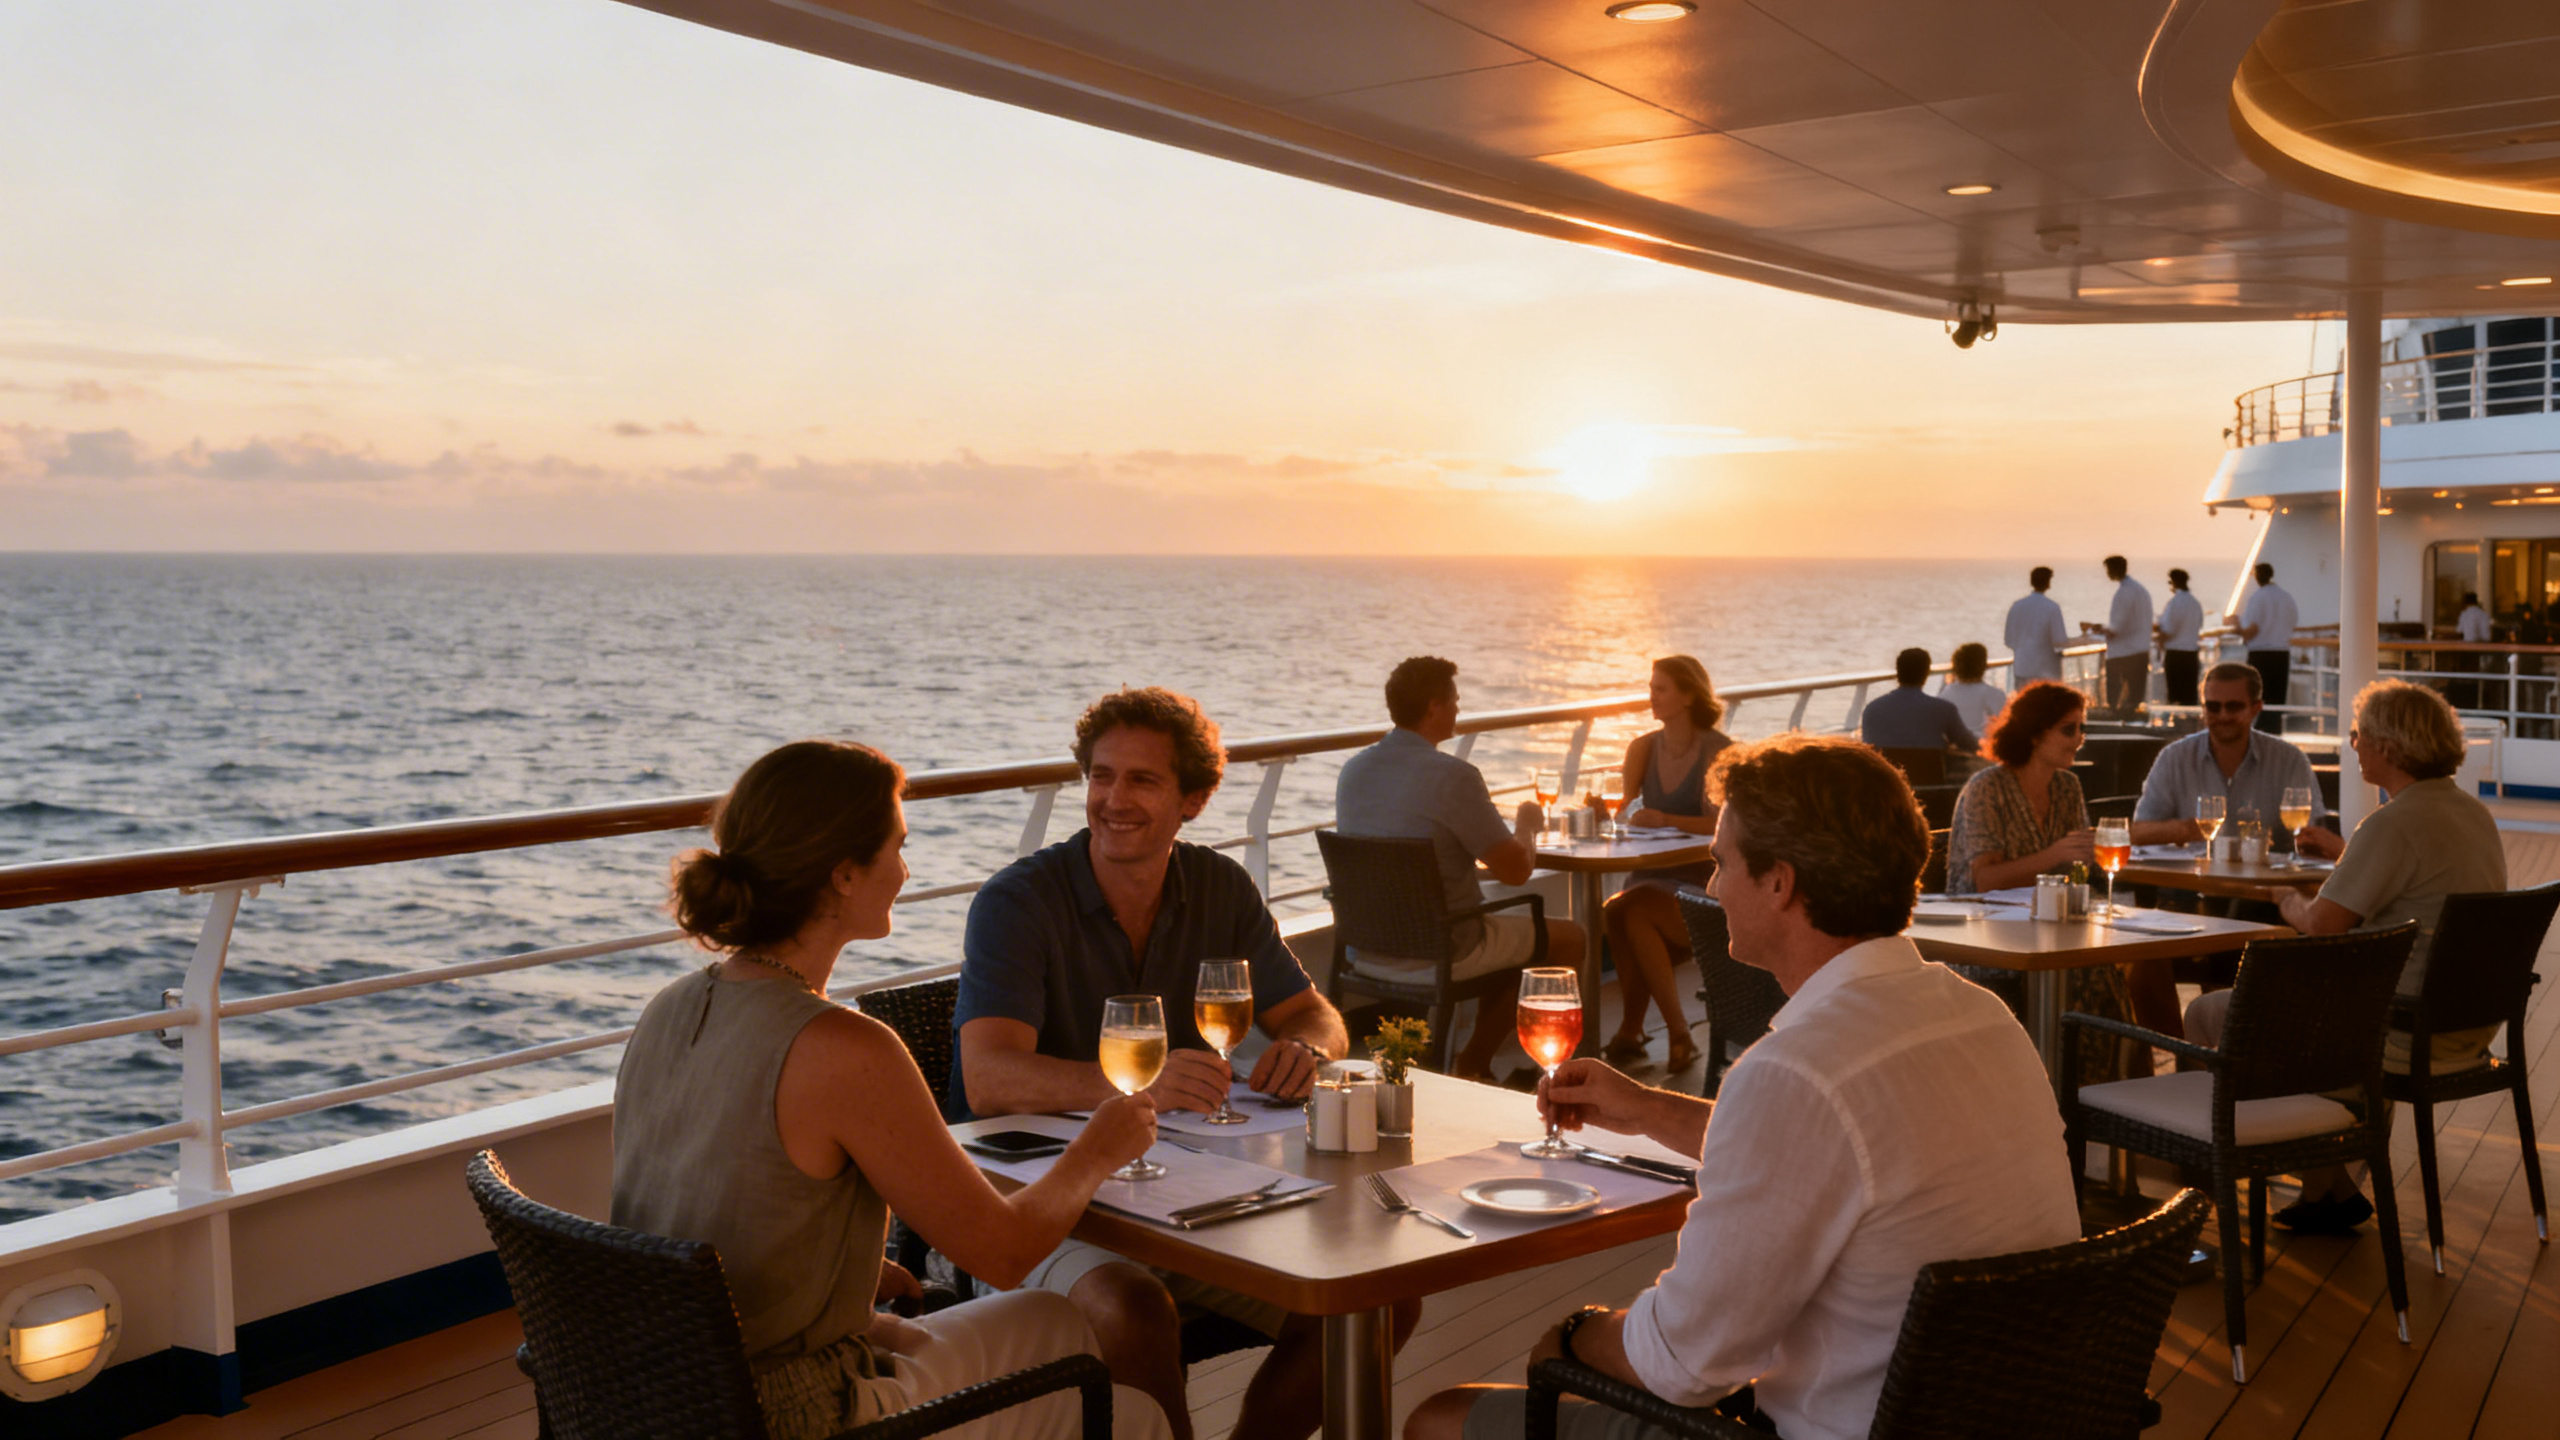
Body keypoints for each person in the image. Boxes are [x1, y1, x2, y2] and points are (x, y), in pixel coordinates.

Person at [1403, 736, 2080, 1440]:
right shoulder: (1980, 1016)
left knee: (1441, 1419)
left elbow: (1684, 1365)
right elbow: (1836, 1151)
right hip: (2013, 1414)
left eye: (1723, 862)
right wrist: (1644, 1108)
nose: (1714, 884)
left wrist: (1572, 1333)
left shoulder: (1799, 1071)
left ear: (1780, 882)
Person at [613, 741, 1172, 1440]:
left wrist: (842, 1270)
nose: (907, 871)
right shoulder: (842, 1046)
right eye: (897, 848)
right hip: (803, 1411)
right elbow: (1002, 1253)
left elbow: (698, 1192)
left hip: (669, 1389)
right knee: (1137, 1415)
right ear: (845, 874)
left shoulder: (671, 1004)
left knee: (1054, 1318)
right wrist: (1097, 1150)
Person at [954, 685, 1407, 1440]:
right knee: (1133, 1311)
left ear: (1193, 800)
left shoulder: (1219, 887)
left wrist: (1307, 1048)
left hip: (1183, 1193)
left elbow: (1314, 1012)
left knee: (1378, 1296)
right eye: (1101, 776)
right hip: (1035, 1198)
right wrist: (1143, 1087)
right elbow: (989, 1078)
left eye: (1142, 780)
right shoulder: (1018, 902)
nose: (1112, 799)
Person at [2182, 680, 2505, 1235]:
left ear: (2388, 744)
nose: (2352, 745)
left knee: (2209, 1014)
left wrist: (2285, 900)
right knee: (2314, 1009)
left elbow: (2323, 925)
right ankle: (2327, 1188)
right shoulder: (2472, 814)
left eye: (2358, 735)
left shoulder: (2394, 822)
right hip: (2464, 1024)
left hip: (2399, 1028)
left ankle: (2199, 1194)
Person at [1336, 657, 1585, 1081]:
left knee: (1503, 933)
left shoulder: (1353, 770)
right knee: (1567, 938)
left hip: (1365, 951)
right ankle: (1476, 1061)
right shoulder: (1454, 777)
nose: (1458, 708)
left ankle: (1478, 1061)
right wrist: (1527, 823)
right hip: (1444, 950)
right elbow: (1515, 871)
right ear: (1433, 707)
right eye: (1454, 700)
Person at [2122, 662, 2344, 1037]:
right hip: (2188, 901)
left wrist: (2309, 841)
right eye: (2213, 707)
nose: (2222, 716)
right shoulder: (2175, 758)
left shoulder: (2288, 759)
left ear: (2256, 708)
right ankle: (2184, 1049)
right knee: (2137, 956)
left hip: (2265, 905)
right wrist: (2185, 828)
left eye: (2233, 707)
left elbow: (2312, 838)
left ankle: (2230, 1042)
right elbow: (2137, 832)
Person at [1946, 682, 2132, 1084]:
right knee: (2093, 976)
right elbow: (1985, 879)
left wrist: (2087, 874)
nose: (2079, 740)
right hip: (1985, 941)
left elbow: (2080, 869)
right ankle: (2067, 1096)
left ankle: (2098, 1098)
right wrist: (2055, 855)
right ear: (2035, 733)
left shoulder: (2067, 788)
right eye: (2069, 730)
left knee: (2113, 973)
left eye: (2082, 730)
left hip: (2052, 933)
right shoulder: (1986, 789)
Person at [1595, 655, 1730, 1072]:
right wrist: (1605, 814)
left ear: (1688, 695)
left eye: (1660, 689)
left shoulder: (1719, 752)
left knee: (1632, 913)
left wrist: (1666, 819)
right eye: (1651, 687)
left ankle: (1678, 1034)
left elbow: (1721, 824)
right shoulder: (1642, 748)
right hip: (1649, 874)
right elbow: (1624, 811)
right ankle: (1631, 1033)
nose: (1651, 697)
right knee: (1616, 911)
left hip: (1700, 880)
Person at [1860, 647, 1976, 757]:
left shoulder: (1872, 709)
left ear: (1898, 672)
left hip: (1887, 776)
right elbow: (1968, 744)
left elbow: (1869, 747)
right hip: (1929, 776)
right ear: (1926, 674)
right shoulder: (1943, 709)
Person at [2083, 555, 2154, 717]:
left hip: (2123, 654)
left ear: (2113, 570)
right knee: (2135, 699)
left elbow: (2116, 628)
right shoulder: (2141, 591)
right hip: (2141, 650)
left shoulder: (2124, 593)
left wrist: (2094, 628)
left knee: (2117, 704)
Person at [2231, 562, 2298, 732]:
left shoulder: (2257, 598)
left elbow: (2252, 629)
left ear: (2257, 577)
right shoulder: (2286, 597)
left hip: (2260, 653)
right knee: (2276, 698)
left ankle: (2259, 732)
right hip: (2282, 653)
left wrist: (2238, 630)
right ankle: (2274, 732)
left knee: (2258, 695)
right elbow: (2292, 622)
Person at [2003, 566, 2069, 685]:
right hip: (2047, 670)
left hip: (2022, 667)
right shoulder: (2052, 607)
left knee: (2025, 702)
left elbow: (2009, 640)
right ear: (2048, 582)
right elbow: (2059, 639)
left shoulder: (2017, 606)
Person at [2156, 568, 2204, 706]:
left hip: (2176, 654)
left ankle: (2177, 723)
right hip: (2192, 654)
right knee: (2190, 696)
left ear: (2173, 583)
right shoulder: (2195, 603)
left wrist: (2158, 639)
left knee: (2175, 695)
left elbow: (2169, 631)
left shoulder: (2175, 603)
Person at [1937, 641, 2006, 735]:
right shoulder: (1991, 693)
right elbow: (2007, 720)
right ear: (1983, 667)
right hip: (1980, 745)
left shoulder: (1946, 693)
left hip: (1954, 743)